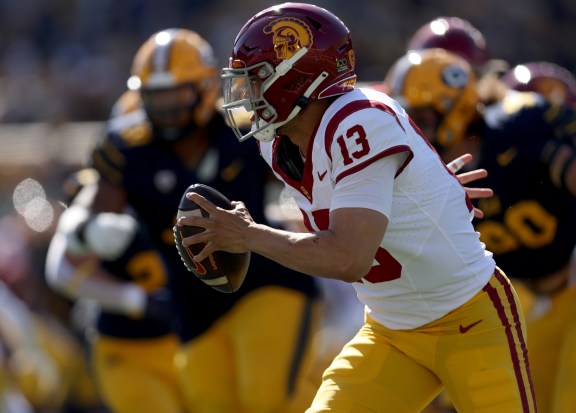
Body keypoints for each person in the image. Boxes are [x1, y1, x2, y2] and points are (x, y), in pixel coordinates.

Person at [178, 4, 536, 412]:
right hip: (391, 332)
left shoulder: (359, 122)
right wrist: (429, 191)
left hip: (470, 320)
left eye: (257, 78)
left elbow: (349, 257)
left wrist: (248, 235)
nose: (247, 94)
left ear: (298, 78)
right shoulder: (274, 142)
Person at [50, 28, 324, 413]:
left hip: (266, 282)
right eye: (155, 96)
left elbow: (312, 172)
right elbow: (93, 210)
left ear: (206, 87)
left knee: (265, 399)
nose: (166, 108)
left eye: (176, 93)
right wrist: (85, 228)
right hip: (192, 304)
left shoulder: (246, 131)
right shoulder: (128, 147)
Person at [385, 47, 576, 412]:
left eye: (422, 119)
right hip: (542, 302)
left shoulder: (512, 130)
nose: (417, 132)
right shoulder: (430, 175)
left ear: (454, 105)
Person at [45, 165, 186, 413]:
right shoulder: (103, 228)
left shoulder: (154, 201)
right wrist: (136, 300)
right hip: (124, 348)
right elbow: (60, 270)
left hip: (179, 343)